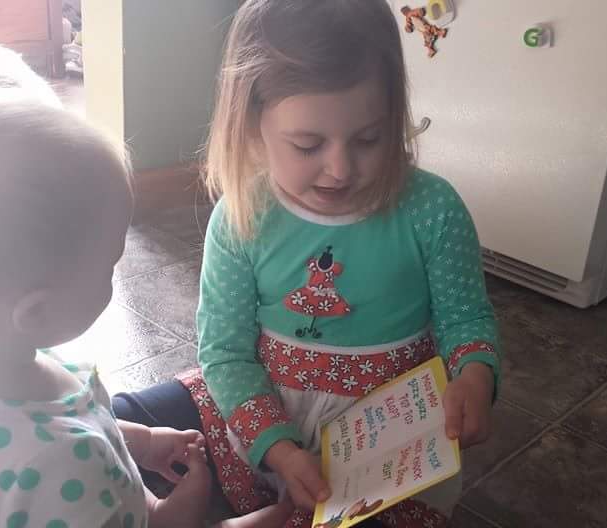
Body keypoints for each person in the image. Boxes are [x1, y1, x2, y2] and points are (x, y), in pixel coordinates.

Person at [0, 86, 290, 528]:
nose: (115, 273)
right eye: (109, 265)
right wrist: (179, 517)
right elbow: (74, 457)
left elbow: (79, 415)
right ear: (36, 312)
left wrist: (144, 441)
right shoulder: (59, 462)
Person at [177, 0, 502, 526]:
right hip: (268, 414)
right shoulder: (243, 216)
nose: (339, 169)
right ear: (253, 120)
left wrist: (474, 375)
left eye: (369, 139)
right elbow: (225, 353)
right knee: (139, 430)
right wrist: (277, 447)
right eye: (307, 145)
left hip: (389, 440)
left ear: (393, 113)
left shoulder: (433, 209)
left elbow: (466, 320)